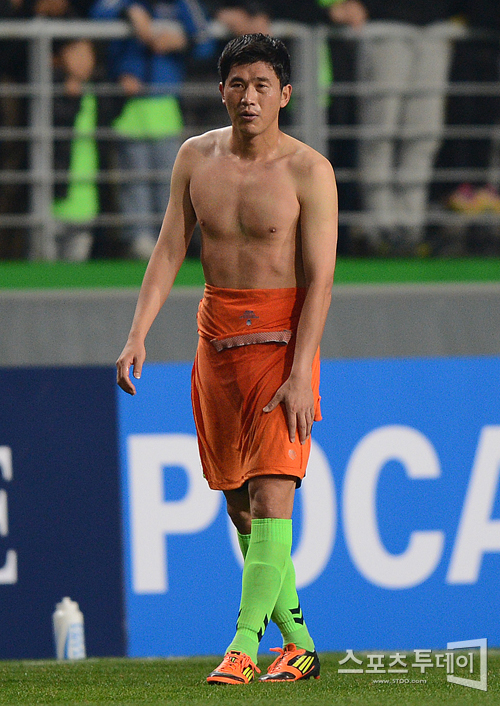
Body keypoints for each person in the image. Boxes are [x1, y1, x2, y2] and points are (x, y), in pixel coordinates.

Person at [116, 33, 337, 684]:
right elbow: (169, 247)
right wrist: (137, 333)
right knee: (240, 505)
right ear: (221, 92)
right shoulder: (194, 157)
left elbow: (321, 279)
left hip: (280, 344)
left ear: (285, 95)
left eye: (262, 85)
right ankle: (300, 644)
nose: (249, 97)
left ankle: (242, 647)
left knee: (271, 496)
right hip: (215, 343)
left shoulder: (309, 171)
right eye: (238, 84)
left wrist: (302, 372)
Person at [326, 0, 465, 254]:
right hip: (385, 24)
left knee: (425, 136)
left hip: (436, 28)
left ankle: (410, 228)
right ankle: (380, 230)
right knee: (380, 134)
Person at [91, 0, 214, 259]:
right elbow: (96, 15)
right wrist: (128, 10)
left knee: (169, 181)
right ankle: (139, 238)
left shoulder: (182, 4)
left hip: (166, 107)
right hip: (128, 108)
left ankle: (171, 237)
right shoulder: (123, 3)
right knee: (134, 180)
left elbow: (206, 41)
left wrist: (182, 41)